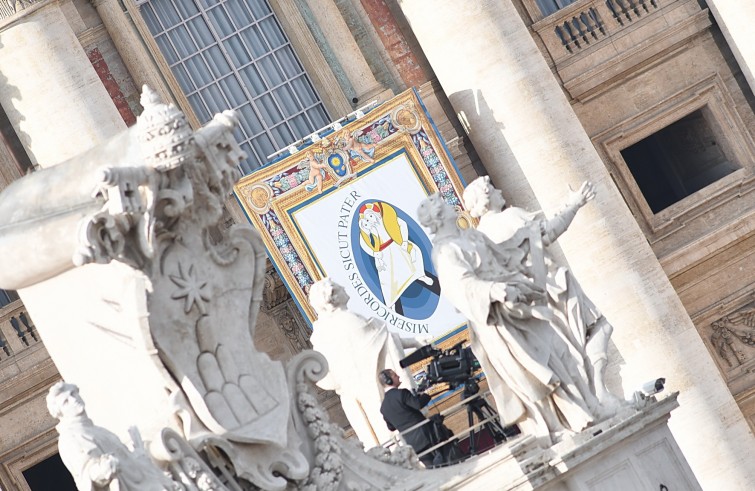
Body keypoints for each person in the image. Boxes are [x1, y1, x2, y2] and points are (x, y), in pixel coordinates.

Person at [417, 193, 609, 447]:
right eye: (444, 206)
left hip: (519, 307)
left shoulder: (471, 236)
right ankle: (557, 427)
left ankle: (590, 407)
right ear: (439, 217)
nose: (452, 207)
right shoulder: (444, 251)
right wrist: (496, 290)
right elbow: (461, 287)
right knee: (534, 374)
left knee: (560, 353)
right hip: (497, 319)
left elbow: (509, 253)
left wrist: (570, 208)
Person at [463, 176, 623, 408]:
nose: (499, 190)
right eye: (493, 189)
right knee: (598, 328)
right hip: (551, 288)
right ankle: (599, 391)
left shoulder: (479, 238)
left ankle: (594, 396)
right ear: (486, 198)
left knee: (567, 353)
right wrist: (575, 204)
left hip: (526, 306)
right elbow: (548, 232)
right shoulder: (509, 217)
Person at [308, 278, 424, 449]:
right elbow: (384, 340)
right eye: (340, 287)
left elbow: (325, 378)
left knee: (385, 442)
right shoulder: (350, 321)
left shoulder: (322, 333)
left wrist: (413, 341)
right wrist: (414, 342)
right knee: (402, 439)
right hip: (378, 393)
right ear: (334, 296)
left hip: (360, 398)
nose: (344, 287)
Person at [47, 381, 176, 491]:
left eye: (73, 394)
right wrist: (105, 469)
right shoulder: (70, 439)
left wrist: (139, 450)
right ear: (60, 412)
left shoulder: (96, 430)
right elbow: (88, 476)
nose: (74, 400)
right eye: (66, 402)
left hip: (146, 481)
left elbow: (128, 462)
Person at [357, 201, 434, 311]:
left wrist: (404, 240)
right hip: (384, 253)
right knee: (387, 279)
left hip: (397, 244)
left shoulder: (387, 219)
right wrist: (374, 253)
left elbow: (402, 225)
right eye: (367, 218)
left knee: (414, 254)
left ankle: (421, 276)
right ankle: (391, 303)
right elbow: (364, 243)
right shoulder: (369, 229)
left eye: (370, 216)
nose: (370, 220)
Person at [379, 369, 456, 468]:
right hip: (427, 436)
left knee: (433, 469)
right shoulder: (402, 393)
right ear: (388, 380)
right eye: (394, 375)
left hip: (412, 443)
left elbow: (391, 427)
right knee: (447, 462)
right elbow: (418, 404)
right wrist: (426, 393)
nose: (398, 376)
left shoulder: (384, 407)